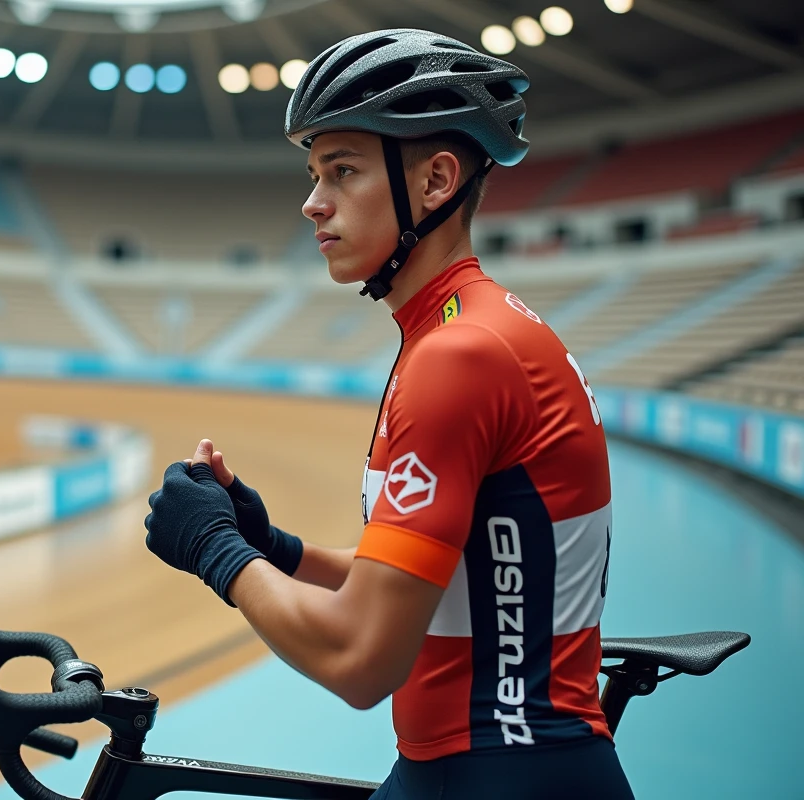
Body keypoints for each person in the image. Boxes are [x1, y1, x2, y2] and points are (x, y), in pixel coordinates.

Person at [143, 28, 633, 800]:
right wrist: (277, 547)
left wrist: (217, 552)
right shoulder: (469, 329)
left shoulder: (458, 357)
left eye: (342, 171)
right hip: (506, 765)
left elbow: (361, 658)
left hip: (494, 772)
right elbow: (441, 578)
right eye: (312, 173)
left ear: (436, 180)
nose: (312, 202)